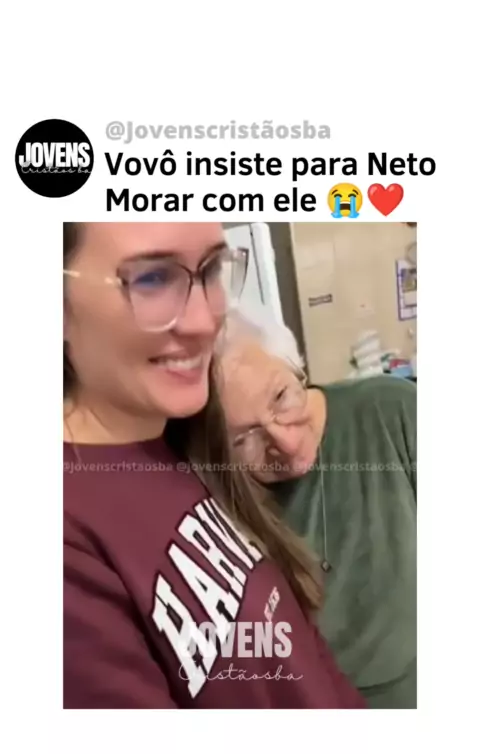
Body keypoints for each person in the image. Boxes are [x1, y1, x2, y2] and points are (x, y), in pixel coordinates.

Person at [63, 222, 365, 709]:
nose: (205, 321)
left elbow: (302, 650)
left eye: (211, 270)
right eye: (152, 279)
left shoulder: (182, 439)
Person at [218, 307, 417, 709]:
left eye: (281, 397)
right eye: (244, 439)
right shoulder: (218, 501)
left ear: (297, 369)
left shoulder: (393, 411)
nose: (286, 443)